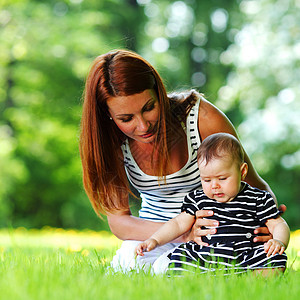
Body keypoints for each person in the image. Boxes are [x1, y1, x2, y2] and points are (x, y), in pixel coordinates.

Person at [79, 49, 286, 273]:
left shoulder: (202, 119)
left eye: (149, 108)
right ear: (108, 115)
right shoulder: (109, 142)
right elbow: (119, 223)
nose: (143, 126)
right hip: (154, 234)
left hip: (217, 235)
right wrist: (184, 232)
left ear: (159, 92)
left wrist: (268, 225)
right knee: (129, 265)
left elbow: (254, 184)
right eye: (126, 118)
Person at [136, 133, 289, 275]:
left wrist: (278, 241)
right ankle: (205, 278)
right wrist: (155, 240)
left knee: (276, 260)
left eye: (222, 178)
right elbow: (177, 224)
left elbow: (278, 224)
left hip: (246, 253)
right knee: (181, 259)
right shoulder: (198, 199)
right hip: (207, 254)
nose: (214, 186)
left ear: (242, 172)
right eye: (207, 180)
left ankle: (250, 280)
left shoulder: (258, 198)